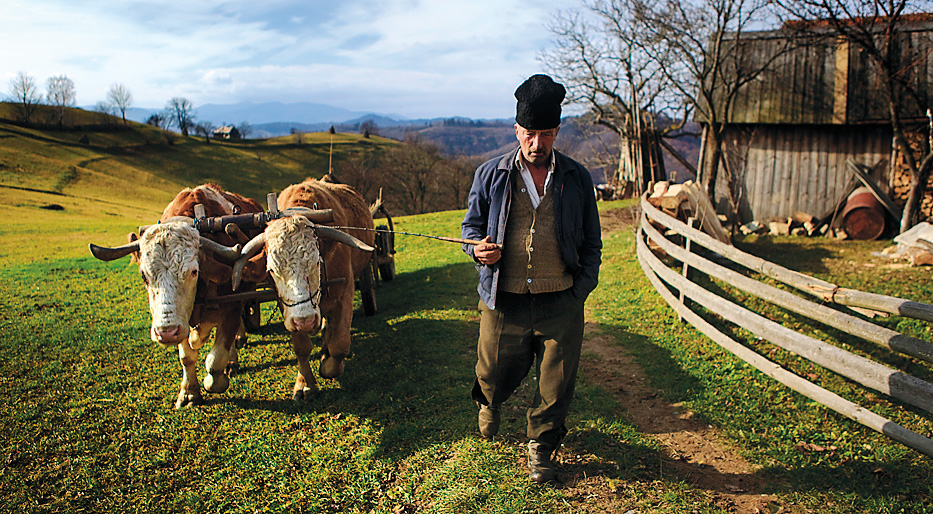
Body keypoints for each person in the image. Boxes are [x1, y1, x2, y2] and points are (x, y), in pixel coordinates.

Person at [460, 74, 602, 484]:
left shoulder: (577, 178)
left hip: (561, 299)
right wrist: (476, 248)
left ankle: (541, 445)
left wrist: (580, 290)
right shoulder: (491, 174)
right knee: (492, 371)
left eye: (545, 134)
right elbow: (470, 229)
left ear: (557, 131)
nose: (536, 144)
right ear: (516, 130)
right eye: (529, 134)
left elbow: (592, 241)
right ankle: (488, 401)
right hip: (505, 298)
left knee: (556, 384)